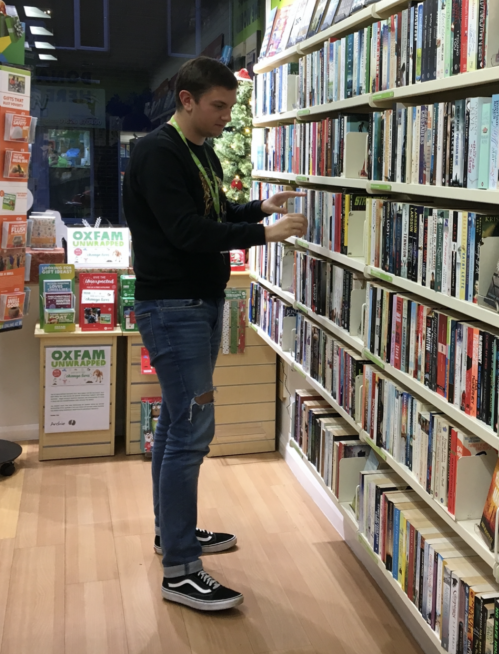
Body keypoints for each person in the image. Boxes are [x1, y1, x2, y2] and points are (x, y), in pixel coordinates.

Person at [122, 57, 306, 612]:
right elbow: (185, 230)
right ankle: (180, 568)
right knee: (193, 431)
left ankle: (171, 533)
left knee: (181, 425)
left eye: (229, 106)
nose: (227, 116)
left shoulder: (197, 151)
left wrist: (256, 207)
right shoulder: (157, 152)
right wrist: (263, 232)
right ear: (186, 100)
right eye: (218, 106)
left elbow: (214, 208)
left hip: (196, 305)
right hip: (173, 308)